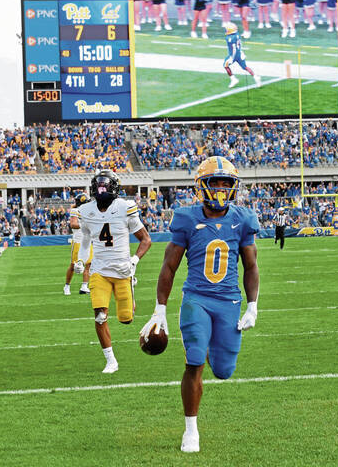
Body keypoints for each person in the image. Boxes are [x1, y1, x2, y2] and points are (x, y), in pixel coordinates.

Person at [140, 156, 260, 454]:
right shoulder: (186, 217)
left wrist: (253, 305)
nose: (220, 189)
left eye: (226, 183)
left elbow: (251, 266)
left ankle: (208, 344)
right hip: (197, 298)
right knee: (194, 360)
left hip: (229, 301)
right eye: (214, 183)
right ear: (201, 186)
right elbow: (169, 266)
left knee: (223, 370)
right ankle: (191, 430)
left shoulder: (243, 219)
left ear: (234, 187)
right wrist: (160, 309)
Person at [74, 170, 151, 374]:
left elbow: (146, 239)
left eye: (104, 185)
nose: (100, 189)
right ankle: (111, 361)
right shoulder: (86, 210)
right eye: (98, 185)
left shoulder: (125, 207)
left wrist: (134, 260)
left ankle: (131, 287)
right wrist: (81, 260)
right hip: (99, 271)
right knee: (100, 316)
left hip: (123, 270)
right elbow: (85, 240)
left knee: (127, 319)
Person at [64, 193, 92, 296]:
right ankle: (67, 285)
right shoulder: (75, 211)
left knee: (89, 264)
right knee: (73, 265)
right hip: (78, 241)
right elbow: (73, 224)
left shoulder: (89, 212)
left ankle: (84, 286)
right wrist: (85, 225)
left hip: (88, 240)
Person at [223, 23, 261, 89]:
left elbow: (234, 48)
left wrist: (232, 57)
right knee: (245, 67)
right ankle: (255, 77)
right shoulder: (237, 34)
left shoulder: (229, 38)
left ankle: (233, 79)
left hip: (233, 55)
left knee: (225, 65)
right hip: (240, 53)